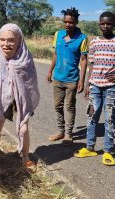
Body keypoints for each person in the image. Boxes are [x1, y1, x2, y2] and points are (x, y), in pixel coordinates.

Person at [0, 23, 40, 180]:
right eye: (2, 40)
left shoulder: (26, 57)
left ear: (19, 40)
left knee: (23, 128)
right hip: (2, 95)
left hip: (21, 96)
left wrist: (20, 91)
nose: (6, 44)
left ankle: (25, 158)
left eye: (11, 40)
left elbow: (30, 80)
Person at [74, 11, 115, 166]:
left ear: (113, 24)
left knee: (110, 119)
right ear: (99, 24)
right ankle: (90, 147)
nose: (105, 26)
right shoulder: (94, 43)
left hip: (112, 88)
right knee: (91, 117)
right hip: (95, 86)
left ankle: (108, 151)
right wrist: (88, 84)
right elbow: (91, 64)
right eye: (103, 23)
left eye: (109, 23)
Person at [47, 7, 88, 145]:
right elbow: (56, 54)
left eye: (70, 22)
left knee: (69, 106)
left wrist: (82, 80)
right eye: (65, 21)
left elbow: (83, 60)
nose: (67, 24)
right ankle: (60, 131)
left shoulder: (82, 38)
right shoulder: (58, 35)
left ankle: (68, 134)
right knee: (58, 106)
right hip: (58, 78)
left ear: (76, 21)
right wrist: (49, 71)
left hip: (72, 79)